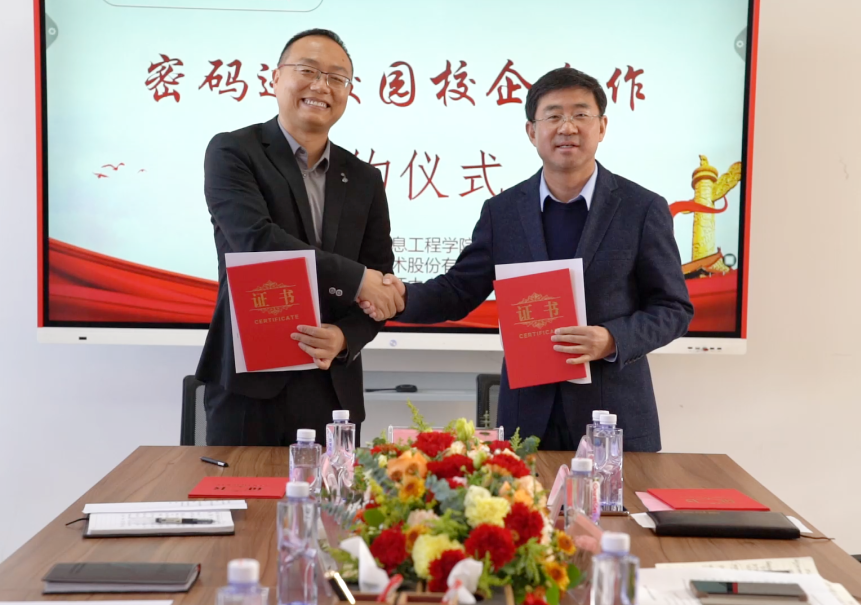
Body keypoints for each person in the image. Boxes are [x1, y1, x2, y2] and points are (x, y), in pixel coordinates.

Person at [361, 67, 693, 452]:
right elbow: (459, 290)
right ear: (531, 131)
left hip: (613, 417)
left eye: (580, 114)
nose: (567, 127)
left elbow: (673, 308)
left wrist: (611, 339)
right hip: (527, 418)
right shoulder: (502, 212)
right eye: (553, 116)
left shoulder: (641, 208)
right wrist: (400, 297)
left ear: (602, 127)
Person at [195, 29, 403, 446]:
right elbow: (256, 242)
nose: (322, 86)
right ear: (276, 78)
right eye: (308, 70)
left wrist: (345, 337)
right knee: (242, 489)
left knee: (334, 492)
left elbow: (379, 280)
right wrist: (357, 280)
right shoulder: (234, 152)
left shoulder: (364, 178)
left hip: (333, 390)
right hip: (250, 388)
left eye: (337, 77)